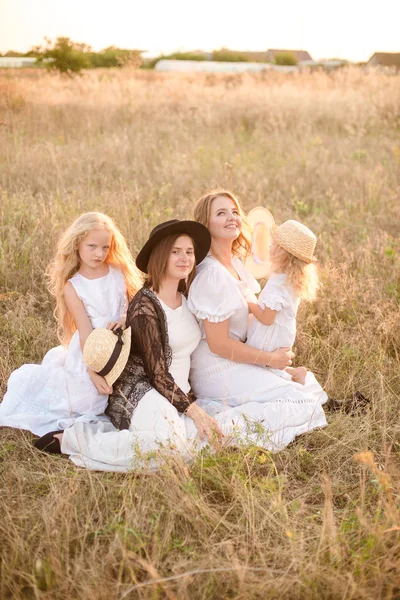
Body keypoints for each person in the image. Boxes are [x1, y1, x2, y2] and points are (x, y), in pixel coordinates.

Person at [34, 220, 224, 470]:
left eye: (189, 252)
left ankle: (148, 434)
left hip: (175, 390)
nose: (185, 258)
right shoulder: (146, 307)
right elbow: (156, 373)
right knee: (173, 445)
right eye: (175, 251)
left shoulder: (189, 295)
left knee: (199, 444)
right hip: (140, 386)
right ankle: (76, 441)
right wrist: (194, 411)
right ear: (160, 256)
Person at [187, 190, 328, 452]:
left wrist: (274, 347)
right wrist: (270, 360)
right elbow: (218, 344)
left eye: (234, 211)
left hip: (236, 357)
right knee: (300, 401)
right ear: (206, 225)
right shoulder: (212, 274)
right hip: (215, 367)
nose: (231, 217)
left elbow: (252, 316)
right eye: (221, 213)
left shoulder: (236, 265)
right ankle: (217, 430)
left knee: (305, 389)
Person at [0, 212, 141, 436]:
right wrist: (93, 371)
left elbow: (133, 307)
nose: (99, 253)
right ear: (77, 244)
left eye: (105, 247)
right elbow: (85, 331)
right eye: (92, 246)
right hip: (93, 350)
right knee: (88, 400)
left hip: (124, 342)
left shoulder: (118, 273)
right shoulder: (74, 286)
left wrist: (124, 320)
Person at [247, 219, 320, 385]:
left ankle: (292, 376)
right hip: (282, 334)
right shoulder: (289, 280)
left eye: (274, 245)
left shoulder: (278, 285)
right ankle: (294, 372)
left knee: (261, 366)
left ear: (283, 254)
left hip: (270, 334)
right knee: (269, 367)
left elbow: (267, 318)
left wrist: (249, 305)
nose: (269, 247)